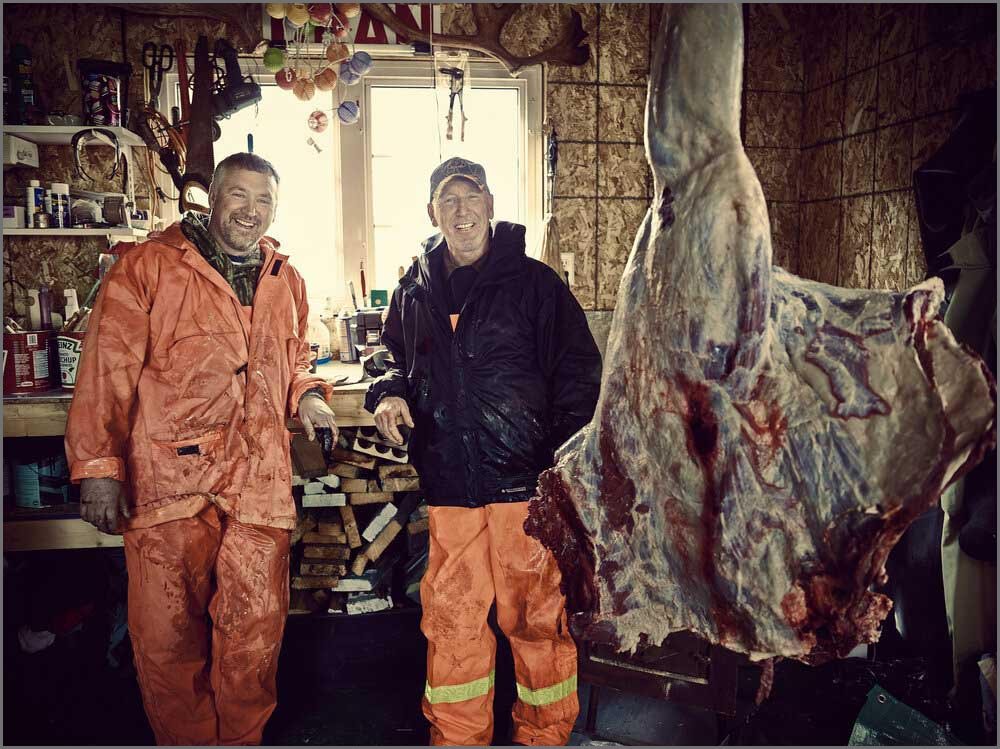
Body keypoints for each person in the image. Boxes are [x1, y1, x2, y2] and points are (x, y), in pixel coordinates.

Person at [65, 152, 338, 745]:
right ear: (211, 198)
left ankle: (240, 741)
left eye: (264, 200)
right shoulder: (148, 267)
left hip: (257, 480)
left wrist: (309, 396)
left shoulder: (284, 278)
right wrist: (99, 468)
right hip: (169, 480)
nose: (250, 211)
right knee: (168, 637)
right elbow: (107, 369)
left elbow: (294, 358)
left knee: (254, 633)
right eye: (239, 195)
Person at [366, 157, 602, 745]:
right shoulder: (414, 289)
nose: (461, 210)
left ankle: (542, 735)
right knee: (453, 623)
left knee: (535, 620)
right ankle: (456, 738)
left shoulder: (536, 284)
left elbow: (579, 375)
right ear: (432, 213)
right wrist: (389, 391)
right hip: (451, 485)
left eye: (471, 197)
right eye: (448, 200)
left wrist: (559, 466)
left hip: (525, 488)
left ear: (491, 206)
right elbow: (390, 354)